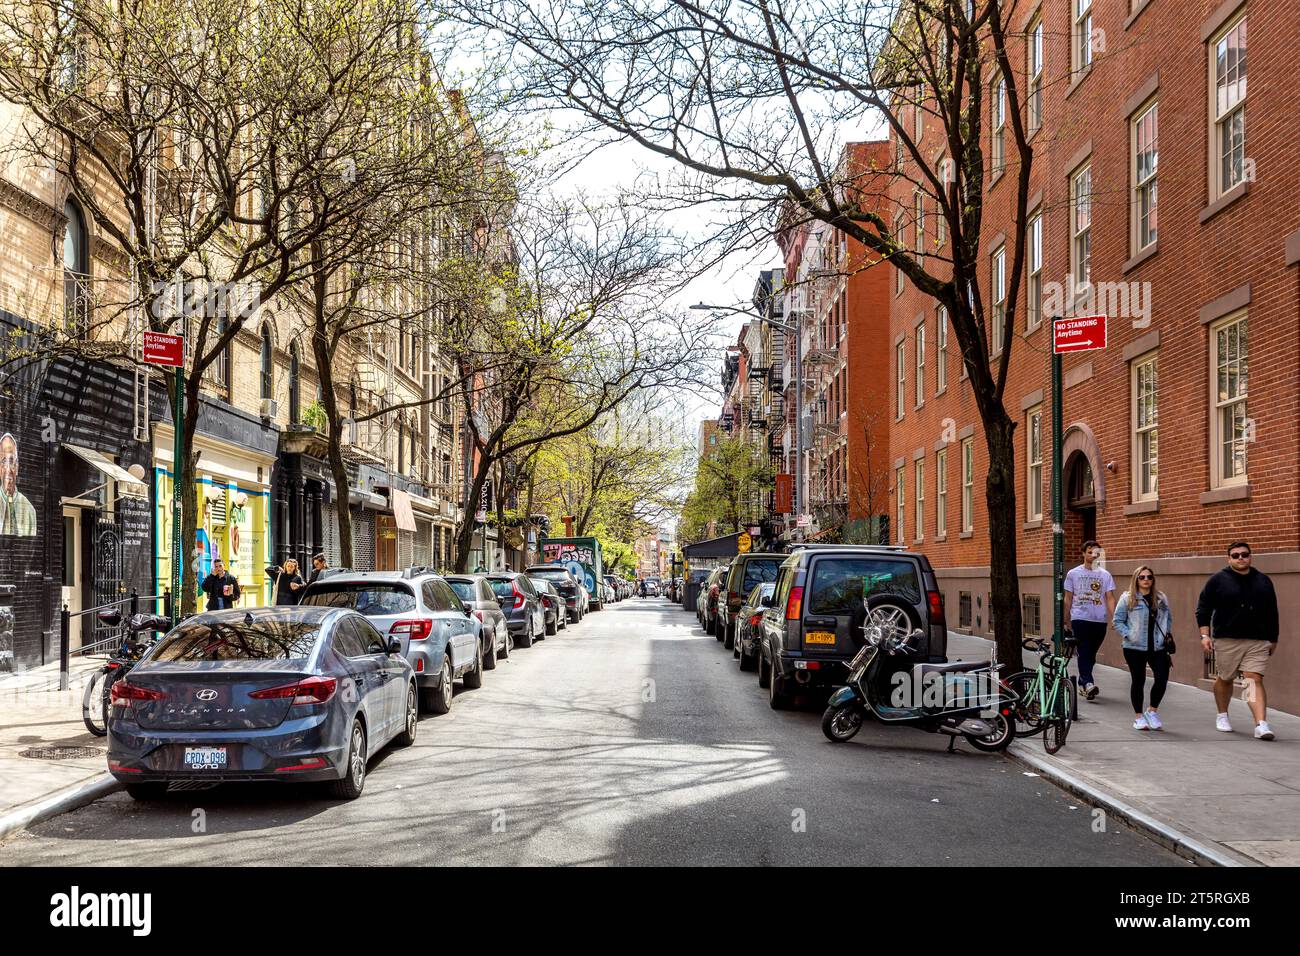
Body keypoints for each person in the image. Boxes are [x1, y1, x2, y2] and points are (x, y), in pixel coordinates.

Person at [1196, 542, 1278, 740]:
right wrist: (1205, 635)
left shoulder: (1263, 580)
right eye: (1235, 555)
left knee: (1253, 679)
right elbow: (1203, 609)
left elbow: (1272, 611)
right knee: (1226, 678)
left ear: (1250, 556)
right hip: (1227, 639)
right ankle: (1222, 714)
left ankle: (1260, 724)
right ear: (1229, 558)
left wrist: (1273, 638)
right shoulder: (1217, 580)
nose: (1240, 558)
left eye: (1244, 554)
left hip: (1257, 639)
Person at [1112, 565, 1173, 731]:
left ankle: (1152, 711)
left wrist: (1166, 635)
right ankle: (1139, 717)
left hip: (1158, 647)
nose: (1146, 580)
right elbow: (1117, 621)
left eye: (1149, 577)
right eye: (1142, 577)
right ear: (1136, 579)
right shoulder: (1128, 598)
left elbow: (1168, 619)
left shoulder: (1160, 598)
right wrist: (1129, 634)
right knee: (1138, 680)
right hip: (1134, 647)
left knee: (1162, 678)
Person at [1063, 539, 1117, 701]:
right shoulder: (1073, 574)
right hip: (1080, 617)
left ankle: (1083, 681)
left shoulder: (1105, 575)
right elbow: (1068, 598)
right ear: (1083, 553)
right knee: (1084, 650)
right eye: (1090, 552)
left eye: (1096, 553)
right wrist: (1066, 619)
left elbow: (1110, 598)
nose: (1093, 555)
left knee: (1091, 654)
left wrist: (1115, 617)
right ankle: (1088, 683)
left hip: (1099, 620)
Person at [0, 433, 37, 537]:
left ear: (17, 467)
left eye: (11, 462)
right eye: (3, 462)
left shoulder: (30, 511)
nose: (8, 469)